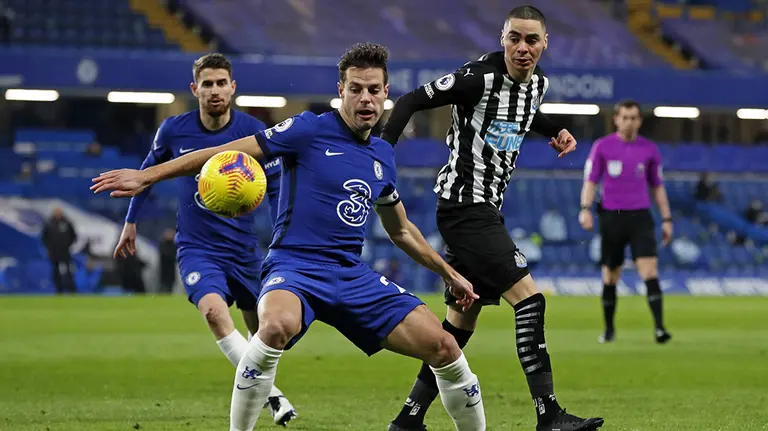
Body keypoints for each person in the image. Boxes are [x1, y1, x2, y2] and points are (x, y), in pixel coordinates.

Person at [92, 43, 488, 431]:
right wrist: (148, 175)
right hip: (294, 265)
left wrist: (448, 273)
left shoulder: (383, 154)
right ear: (341, 92)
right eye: (355, 89)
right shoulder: (308, 129)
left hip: (351, 274)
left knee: (445, 348)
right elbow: (228, 151)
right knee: (275, 327)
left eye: (373, 90)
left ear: (386, 94)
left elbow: (400, 229)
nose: (364, 99)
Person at [379, 5, 603, 431]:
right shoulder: (476, 78)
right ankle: (549, 415)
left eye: (531, 40)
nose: (522, 47)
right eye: (514, 38)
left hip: (485, 210)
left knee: (458, 327)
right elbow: (411, 100)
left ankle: (407, 420)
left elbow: (521, 113)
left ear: (544, 44)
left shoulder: (537, 84)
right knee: (530, 300)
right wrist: (383, 151)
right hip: (466, 210)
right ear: (502, 39)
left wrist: (554, 129)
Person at [111, 53, 296, 425]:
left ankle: (265, 393)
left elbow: (276, 186)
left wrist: (283, 234)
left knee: (263, 333)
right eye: (207, 84)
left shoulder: (252, 134)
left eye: (220, 83)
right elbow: (148, 174)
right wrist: (131, 222)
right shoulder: (174, 130)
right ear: (195, 89)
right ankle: (274, 397)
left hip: (245, 251)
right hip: (197, 248)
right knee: (213, 312)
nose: (214, 91)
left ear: (233, 87)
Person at [578, 99, 674, 345]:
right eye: (625, 117)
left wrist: (666, 218)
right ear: (616, 119)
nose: (629, 122)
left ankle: (660, 328)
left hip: (641, 217)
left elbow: (658, 187)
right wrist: (586, 209)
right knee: (610, 276)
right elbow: (591, 181)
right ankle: (609, 329)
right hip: (612, 217)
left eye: (634, 118)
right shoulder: (602, 147)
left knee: (650, 272)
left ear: (639, 121)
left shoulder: (649, 150)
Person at [41, 207, 77, 294]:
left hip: (65, 251)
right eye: (56, 212)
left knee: (69, 270)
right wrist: (50, 248)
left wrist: (68, 245)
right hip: (54, 252)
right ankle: (58, 289)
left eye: (59, 212)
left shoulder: (67, 223)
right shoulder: (49, 223)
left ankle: (71, 289)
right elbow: (44, 238)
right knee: (55, 271)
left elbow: (73, 236)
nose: (58, 214)